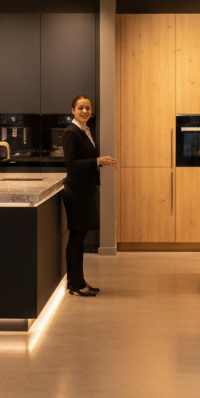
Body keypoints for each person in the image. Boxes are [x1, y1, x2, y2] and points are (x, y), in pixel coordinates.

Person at [62, 94, 116, 297]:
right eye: (81, 108)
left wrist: (98, 161)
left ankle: (79, 281)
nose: (85, 111)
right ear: (73, 110)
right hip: (77, 193)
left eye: (88, 108)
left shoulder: (84, 130)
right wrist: (97, 161)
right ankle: (74, 285)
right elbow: (71, 164)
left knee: (80, 238)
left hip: (85, 191)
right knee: (76, 239)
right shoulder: (71, 132)